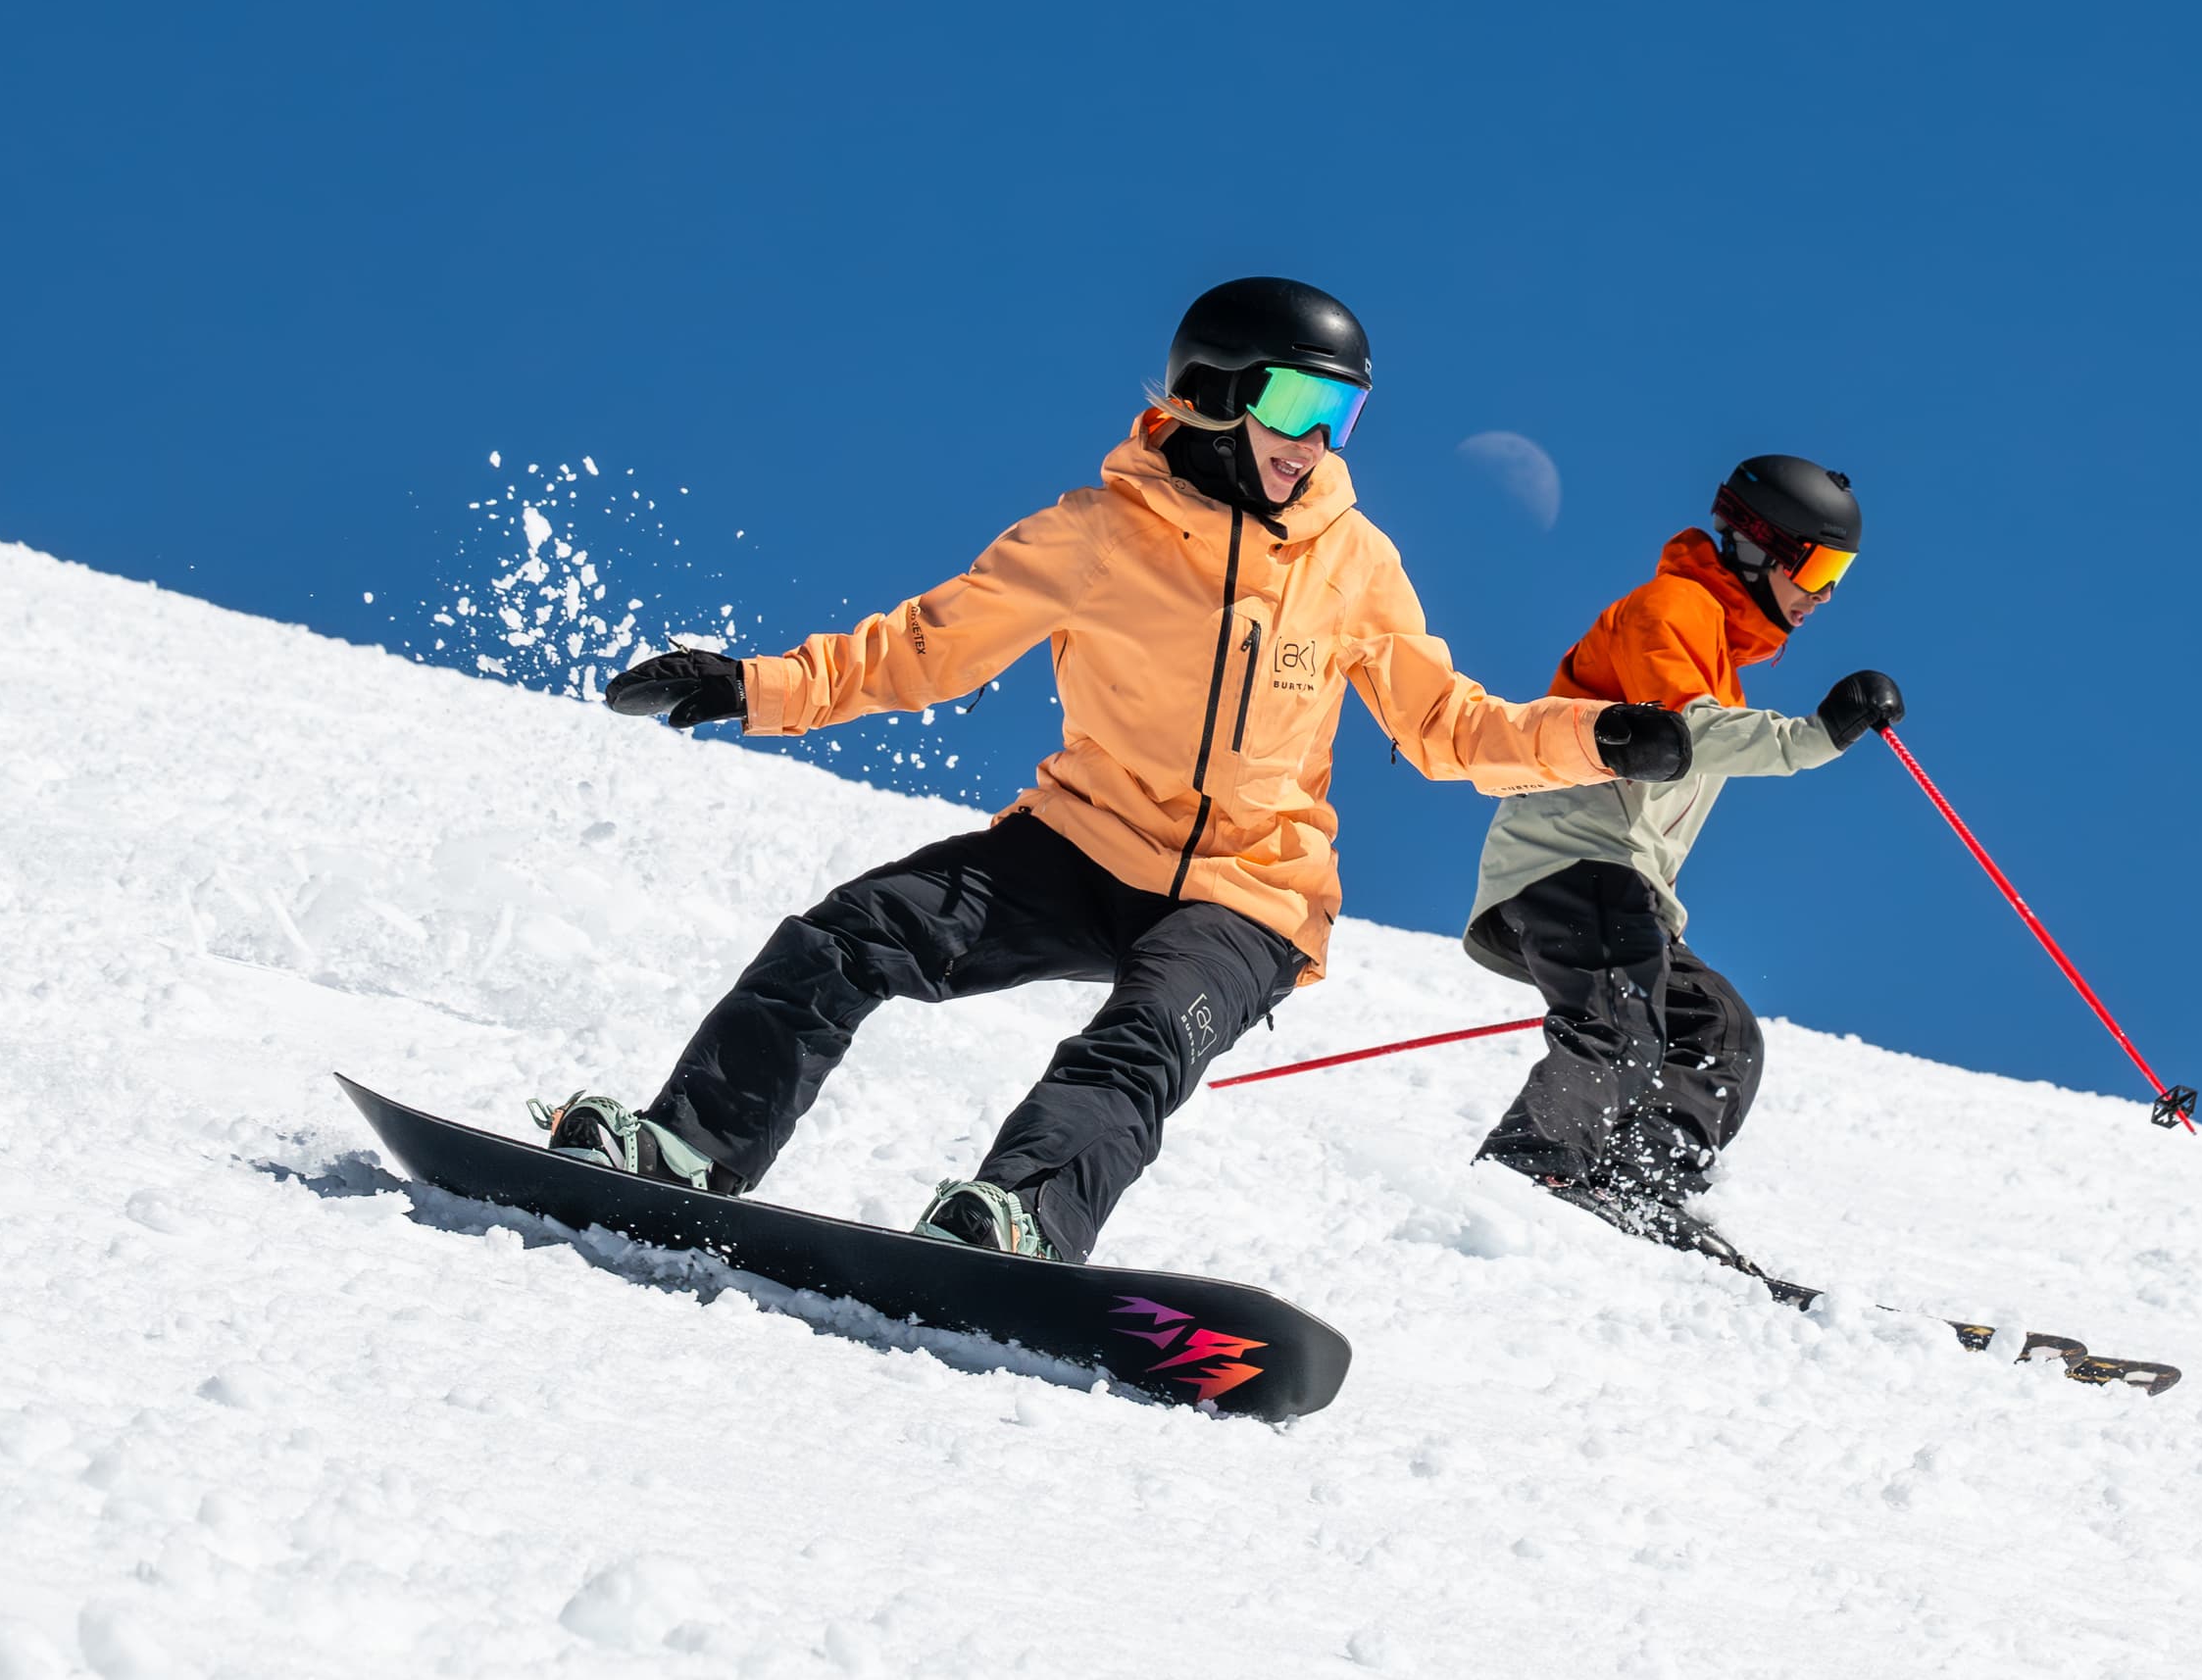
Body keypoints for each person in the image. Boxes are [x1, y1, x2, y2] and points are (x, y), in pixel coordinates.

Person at [544, 277, 1696, 1264]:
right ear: (1213, 390)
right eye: (1297, 400)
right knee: (846, 936)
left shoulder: (1355, 564)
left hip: (1252, 892)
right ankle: (689, 1145)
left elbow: (1448, 724)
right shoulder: (1097, 534)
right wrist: (753, 687)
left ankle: (1017, 1222)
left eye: (1342, 412)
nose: (1316, 440)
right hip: (1081, 845)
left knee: (1135, 1044)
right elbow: (922, 650)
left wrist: (1592, 738)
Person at [1463, 454, 1905, 1252]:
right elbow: (1681, 732)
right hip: (1566, 865)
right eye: (1821, 566)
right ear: (1764, 548)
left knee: (1722, 1031)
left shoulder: (1721, 657)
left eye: (1842, 573)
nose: (1825, 594)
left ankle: (1645, 1187)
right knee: (1620, 1017)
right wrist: (1816, 738)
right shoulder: (1668, 609)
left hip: (1624, 892)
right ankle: (1532, 1170)